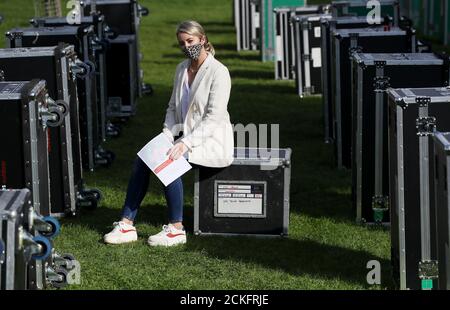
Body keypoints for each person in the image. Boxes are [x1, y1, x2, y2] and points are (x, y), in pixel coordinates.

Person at [104, 20, 234, 247]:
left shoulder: (219, 72)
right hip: (181, 137)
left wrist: (185, 144)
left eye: (191, 41)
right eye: (182, 43)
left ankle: (176, 229)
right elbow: (172, 108)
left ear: (202, 40)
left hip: (211, 141)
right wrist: (167, 134)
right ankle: (126, 224)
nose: (186, 46)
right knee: (142, 159)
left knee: (168, 161)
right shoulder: (181, 69)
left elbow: (213, 118)